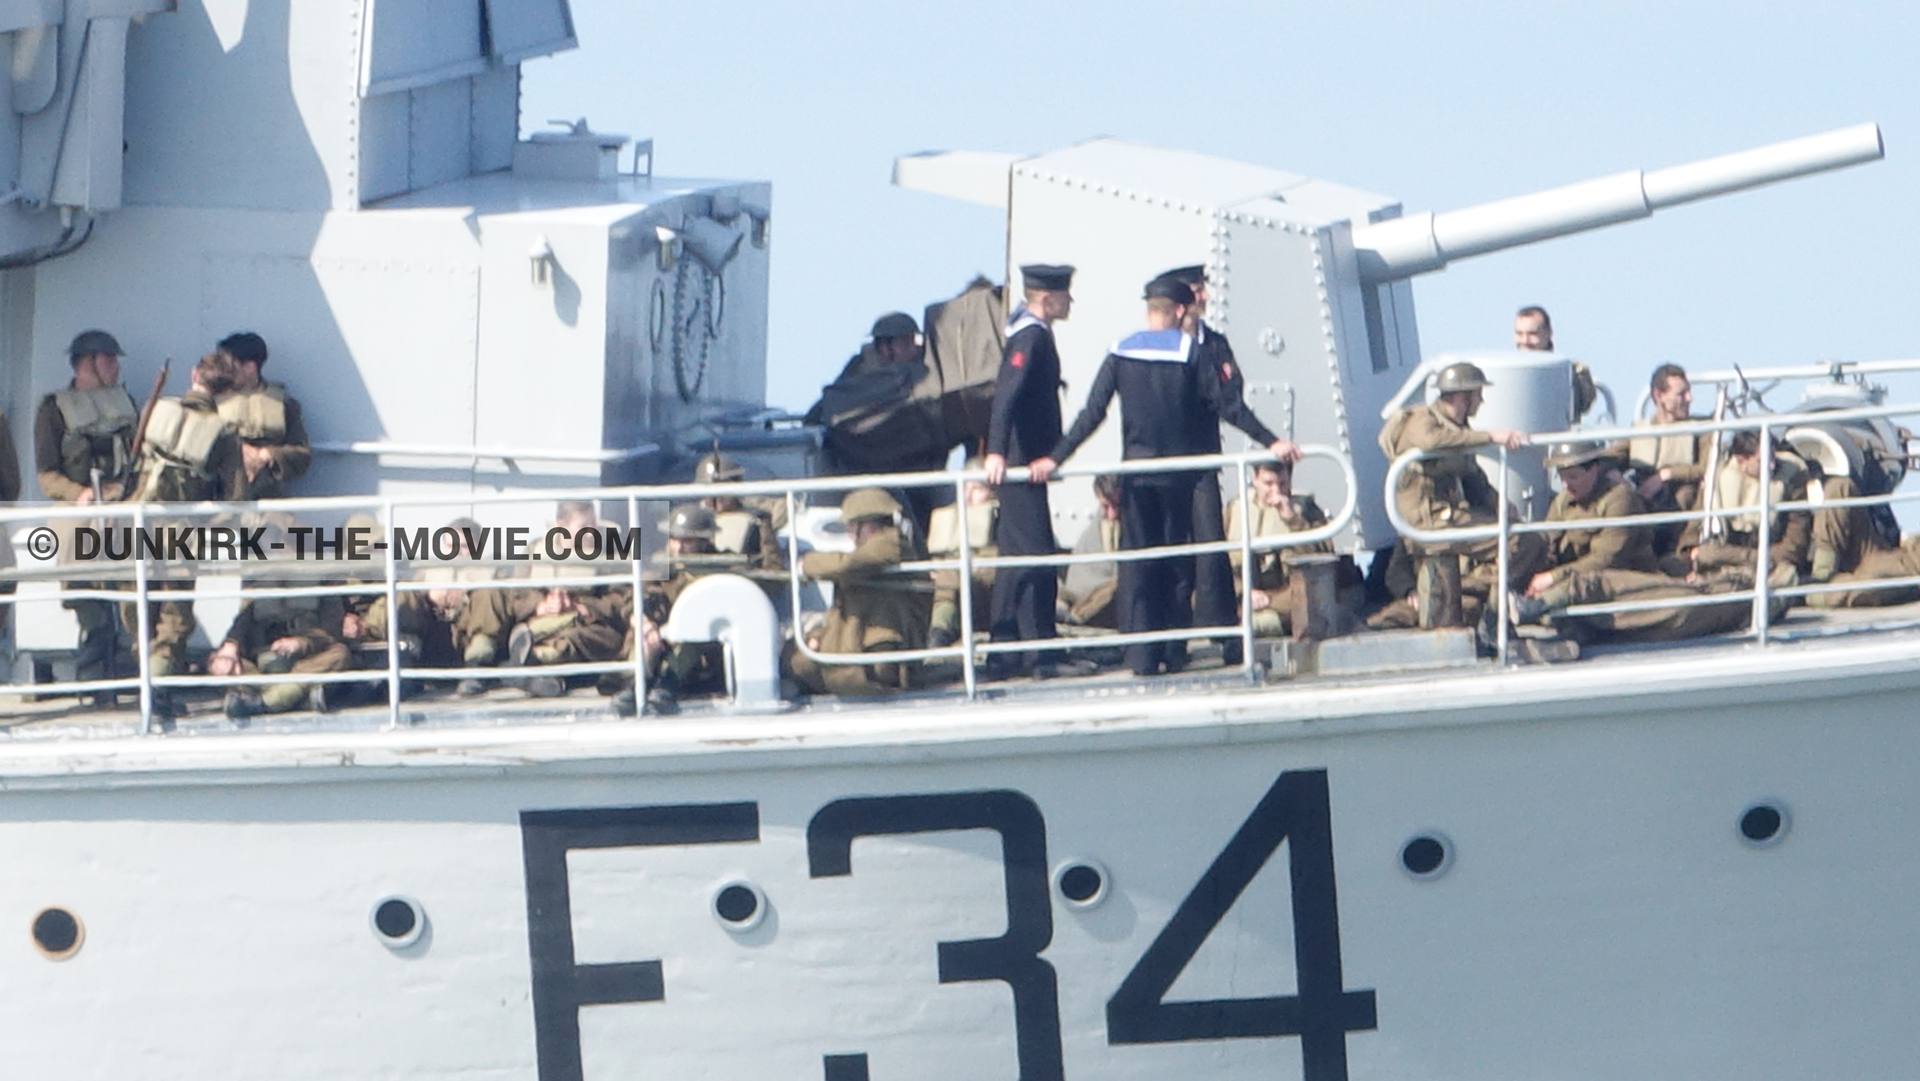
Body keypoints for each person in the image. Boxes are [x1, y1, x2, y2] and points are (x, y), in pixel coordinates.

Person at [1042, 278, 1298, 675]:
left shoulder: (1120, 351)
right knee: (1178, 564)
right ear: (1180, 311)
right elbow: (1228, 407)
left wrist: (1054, 458)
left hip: (1137, 478)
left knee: (1140, 565)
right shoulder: (1192, 352)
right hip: (1180, 479)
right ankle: (1174, 650)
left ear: (1150, 310)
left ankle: (1142, 656)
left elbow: (1091, 414)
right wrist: (1273, 442)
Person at [1157, 265, 1298, 664]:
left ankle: (1225, 632)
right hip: (1169, 464)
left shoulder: (1214, 344)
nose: (1204, 297)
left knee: (1212, 547)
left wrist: (1270, 440)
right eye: (1198, 291)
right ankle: (1172, 638)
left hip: (1203, 461)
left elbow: (1230, 398)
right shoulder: (1162, 348)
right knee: (1172, 552)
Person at [123, 351, 250, 721]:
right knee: (175, 612)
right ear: (227, 390)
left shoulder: (155, 409)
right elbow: (237, 498)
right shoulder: (224, 433)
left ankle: (147, 675)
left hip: (136, 523)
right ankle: (159, 683)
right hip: (182, 532)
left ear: (194, 375)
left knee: (136, 603)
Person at [1378, 361, 1534, 627]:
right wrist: (1492, 436)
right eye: (1477, 393)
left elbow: (1472, 476)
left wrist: (1495, 501)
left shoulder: (1460, 430)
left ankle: (1483, 600)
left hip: (1446, 517)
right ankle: (1493, 613)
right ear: (1464, 395)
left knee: (1526, 538)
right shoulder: (1422, 420)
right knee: (1521, 541)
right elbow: (1432, 441)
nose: (1481, 400)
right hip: (1429, 521)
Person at [981, 264, 1074, 676]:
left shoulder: (1031, 333)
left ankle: (1005, 651)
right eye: (1065, 295)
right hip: (1020, 465)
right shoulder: (1030, 336)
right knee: (1036, 556)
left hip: (1025, 462)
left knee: (1015, 558)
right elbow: (1008, 395)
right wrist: (997, 452)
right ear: (1046, 298)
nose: (1070, 302)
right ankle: (1040, 652)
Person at [35, 330, 140, 694]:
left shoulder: (125, 402)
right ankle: (95, 632)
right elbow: (47, 473)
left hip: (124, 499)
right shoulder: (53, 408)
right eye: (109, 359)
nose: (116, 366)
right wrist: (78, 494)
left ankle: (135, 642)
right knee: (73, 539)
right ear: (87, 363)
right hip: (78, 499)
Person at [788, 487, 931, 697]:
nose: (848, 532)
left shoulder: (889, 545)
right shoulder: (876, 551)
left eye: (853, 526)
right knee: (792, 660)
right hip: (857, 646)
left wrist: (805, 564)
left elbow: (844, 566)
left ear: (871, 526)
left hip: (876, 657)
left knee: (795, 664)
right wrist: (819, 637)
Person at [1523, 440, 1659, 600]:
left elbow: (1608, 559)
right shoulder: (1563, 501)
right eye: (1562, 478)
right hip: (1578, 581)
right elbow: (1548, 544)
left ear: (1594, 470)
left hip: (1620, 585)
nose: (1566, 484)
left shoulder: (1620, 499)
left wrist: (1553, 577)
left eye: (1573, 477)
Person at [1224, 459, 1333, 637]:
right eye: (1268, 483)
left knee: (1309, 600)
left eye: (1282, 483)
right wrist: (1245, 593)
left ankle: (1254, 623)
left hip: (1286, 596)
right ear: (1254, 479)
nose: (1276, 491)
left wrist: (1293, 520)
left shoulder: (1306, 510)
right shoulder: (1234, 508)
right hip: (1243, 593)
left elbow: (1323, 561)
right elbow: (1217, 561)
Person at [207, 588, 352, 720]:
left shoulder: (323, 580)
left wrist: (301, 643)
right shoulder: (258, 579)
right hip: (262, 661)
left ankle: (262, 703)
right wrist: (231, 645)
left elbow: (332, 629)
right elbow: (243, 620)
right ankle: (300, 699)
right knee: (219, 663)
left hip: (306, 658)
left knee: (339, 653)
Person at [1693, 430, 1813, 582]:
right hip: (1725, 558)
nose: (1771, 465)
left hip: (1770, 561)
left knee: (1786, 574)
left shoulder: (1792, 482)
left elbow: (1794, 546)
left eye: (1773, 458)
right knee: (1703, 556)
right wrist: (1691, 555)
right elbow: (1694, 530)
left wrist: (1752, 557)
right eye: (1762, 461)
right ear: (1741, 461)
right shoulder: (1715, 483)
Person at [1627, 364, 1717, 556]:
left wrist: (1666, 475)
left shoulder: (1702, 429)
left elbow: (1706, 467)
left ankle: (1683, 555)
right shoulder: (1639, 429)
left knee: (1687, 496)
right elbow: (1612, 457)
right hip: (1645, 496)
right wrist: (1613, 474)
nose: (1689, 399)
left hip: (1682, 495)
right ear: (1659, 395)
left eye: (1689, 392)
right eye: (1681, 394)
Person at [215, 331, 311, 500]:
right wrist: (239, 452)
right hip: (221, 499)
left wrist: (267, 455)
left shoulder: (284, 405)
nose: (223, 371)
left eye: (229, 365)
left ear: (250, 367)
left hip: (270, 501)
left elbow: (302, 456)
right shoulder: (212, 401)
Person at [926, 459, 997, 648]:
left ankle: (940, 631)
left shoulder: (1003, 520)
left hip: (985, 590)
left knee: (950, 572)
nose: (967, 495)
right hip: (949, 584)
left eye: (976, 489)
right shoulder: (949, 515)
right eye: (965, 487)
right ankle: (939, 629)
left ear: (992, 491)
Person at [692, 452, 786, 569]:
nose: (716, 496)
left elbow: (774, 567)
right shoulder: (692, 520)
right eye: (709, 490)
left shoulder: (758, 520)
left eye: (723, 488)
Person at [1060, 474, 1121, 629]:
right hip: (1076, 594)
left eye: (1117, 505)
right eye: (1105, 506)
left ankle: (1077, 616)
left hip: (1101, 598)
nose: (1112, 514)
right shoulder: (1096, 528)